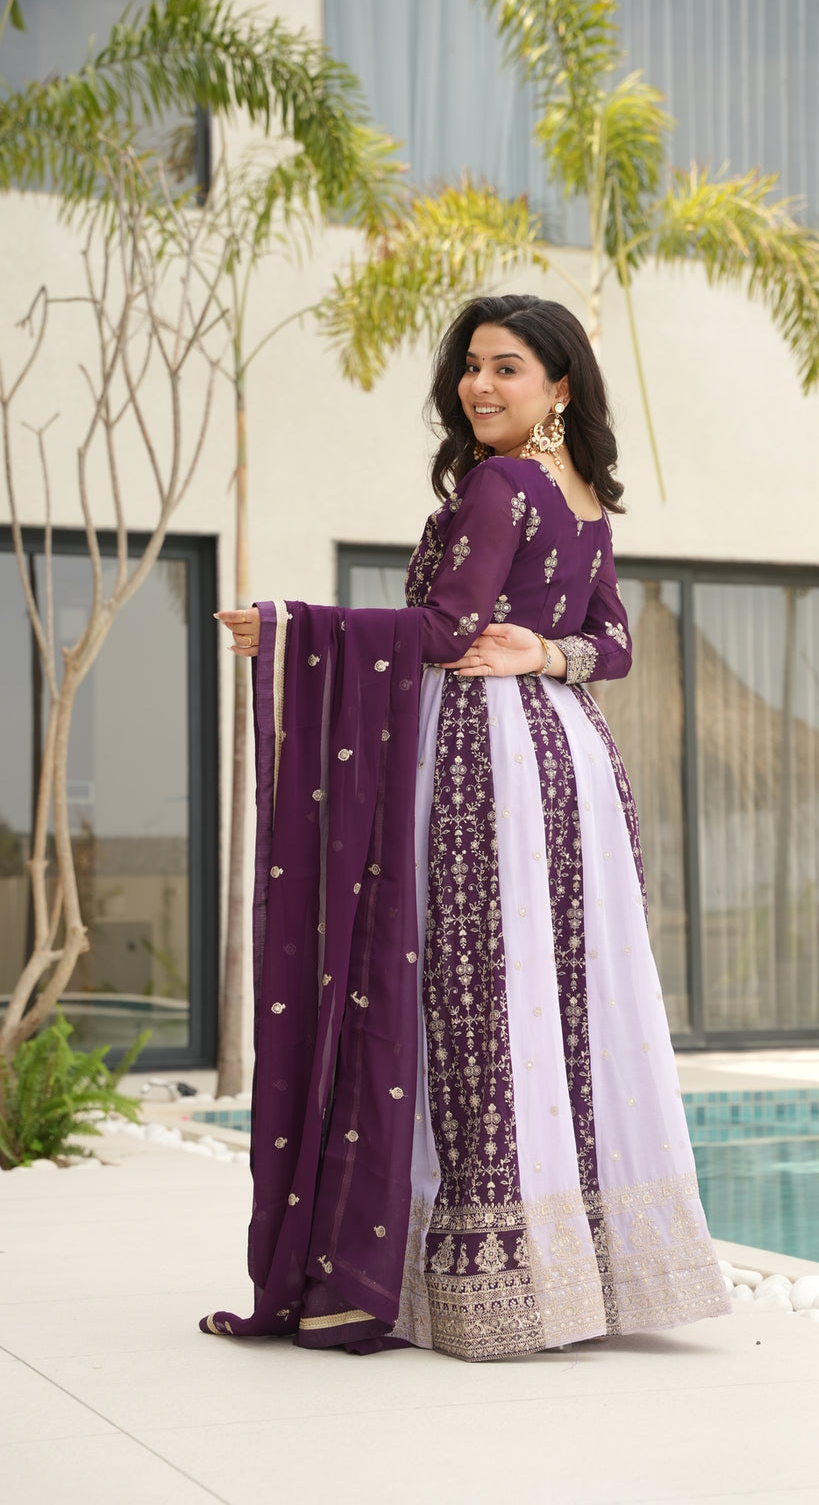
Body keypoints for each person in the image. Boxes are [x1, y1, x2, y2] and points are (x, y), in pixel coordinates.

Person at [205, 294, 730, 1361]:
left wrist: (292, 627)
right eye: (471, 368)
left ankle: (489, 1280)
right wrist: (546, 655)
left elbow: (447, 629)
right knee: (556, 995)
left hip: (481, 764)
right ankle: (583, 1274)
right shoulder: (583, 501)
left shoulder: (501, 486)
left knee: (475, 996)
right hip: (569, 761)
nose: (480, 387)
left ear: (559, 387)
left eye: (507, 369)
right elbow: (612, 645)